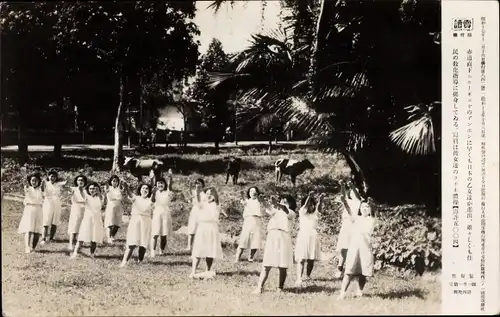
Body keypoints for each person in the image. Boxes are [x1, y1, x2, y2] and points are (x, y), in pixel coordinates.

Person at [337, 182, 377, 300]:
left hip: (366, 247)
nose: (365, 208)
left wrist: (370, 204)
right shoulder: (356, 218)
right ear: (359, 209)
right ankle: (342, 293)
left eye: (367, 207)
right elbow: (349, 210)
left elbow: (374, 210)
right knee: (349, 270)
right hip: (355, 247)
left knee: (363, 271)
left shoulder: (372, 219)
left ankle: (359, 291)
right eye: (363, 207)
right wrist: (344, 202)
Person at [253, 195, 297, 294]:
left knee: (282, 265)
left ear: (291, 204)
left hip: (284, 237)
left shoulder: (292, 213)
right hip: (272, 236)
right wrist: (262, 201)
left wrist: (277, 203)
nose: (283, 203)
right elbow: (268, 207)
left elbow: (285, 208)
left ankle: (280, 288)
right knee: (267, 264)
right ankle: (259, 287)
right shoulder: (275, 211)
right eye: (282, 201)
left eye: (285, 202)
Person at [190, 187, 227, 279]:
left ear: (215, 195)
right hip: (202, 227)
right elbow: (198, 202)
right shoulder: (202, 204)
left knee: (210, 250)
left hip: (212, 228)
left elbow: (217, 202)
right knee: (198, 249)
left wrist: (214, 196)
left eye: (211, 193)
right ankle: (193, 271)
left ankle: (208, 270)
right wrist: (197, 193)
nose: (209, 195)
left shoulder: (217, 204)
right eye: (207, 193)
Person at [294, 191, 326, 286]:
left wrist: (321, 200)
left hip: (313, 236)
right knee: (301, 258)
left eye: (312, 205)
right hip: (303, 235)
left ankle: (307, 276)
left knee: (311, 259)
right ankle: (299, 278)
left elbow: (319, 207)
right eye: (309, 205)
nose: (310, 206)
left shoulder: (315, 213)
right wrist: (309, 196)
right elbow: (305, 204)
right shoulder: (302, 212)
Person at [120, 183, 154, 267]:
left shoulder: (150, 200)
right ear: (140, 190)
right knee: (132, 242)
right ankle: (124, 261)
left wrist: (155, 191)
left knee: (143, 243)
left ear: (149, 191)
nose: (145, 190)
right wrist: (126, 186)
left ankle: (140, 260)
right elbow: (130, 194)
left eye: (147, 189)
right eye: (143, 188)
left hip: (146, 222)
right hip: (135, 221)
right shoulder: (136, 198)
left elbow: (153, 199)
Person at [70, 182, 105, 259]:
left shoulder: (101, 197)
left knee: (94, 237)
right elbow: (82, 193)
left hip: (97, 219)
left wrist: (98, 192)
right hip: (87, 219)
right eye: (90, 188)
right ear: (88, 190)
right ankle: (75, 253)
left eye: (94, 188)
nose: (92, 190)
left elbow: (102, 201)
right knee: (82, 236)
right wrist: (79, 188)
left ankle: (92, 254)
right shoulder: (87, 197)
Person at [334, 179, 360, 279]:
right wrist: (342, 185)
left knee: (352, 248)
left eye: (355, 192)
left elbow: (358, 197)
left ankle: (352, 270)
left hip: (355, 226)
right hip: (346, 225)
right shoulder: (347, 200)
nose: (353, 193)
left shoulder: (359, 203)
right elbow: (343, 195)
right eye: (352, 192)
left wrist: (353, 186)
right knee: (343, 248)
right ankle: (340, 268)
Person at [234, 186, 265, 263]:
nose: (253, 192)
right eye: (251, 191)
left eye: (255, 191)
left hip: (257, 221)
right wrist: (242, 195)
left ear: (257, 193)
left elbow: (264, 205)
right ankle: (237, 258)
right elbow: (244, 201)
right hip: (248, 220)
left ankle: (251, 257)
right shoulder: (247, 201)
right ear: (249, 193)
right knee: (244, 239)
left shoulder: (260, 201)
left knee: (255, 240)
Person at [18, 173, 44, 253]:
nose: (34, 182)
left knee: (37, 230)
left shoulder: (41, 190)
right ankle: (27, 247)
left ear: (39, 181)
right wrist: (26, 191)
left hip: (38, 209)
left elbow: (43, 197)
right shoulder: (27, 189)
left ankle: (33, 247)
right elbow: (26, 199)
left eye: (36, 180)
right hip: (29, 209)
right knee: (28, 229)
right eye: (32, 180)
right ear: (30, 181)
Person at [150, 170, 174, 257]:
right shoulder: (155, 192)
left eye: (162, 183)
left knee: (164, 234)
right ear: (156, 185)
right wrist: (153, 193)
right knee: (155, 233)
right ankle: (153, 250)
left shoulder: (168, 192)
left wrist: (170, 177)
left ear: (165, 184)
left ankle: (161, 250)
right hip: (157, 213)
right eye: (159, 183)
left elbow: (170, 185)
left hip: (166, 214)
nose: (160, 185)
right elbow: (152, 200)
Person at [41, 170, 67, 244]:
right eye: (51, 176)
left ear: (56, 177)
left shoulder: (58, 184)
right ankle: (43, 238)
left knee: (54, 221)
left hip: (57, 203)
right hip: (48, 203)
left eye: (54, 176)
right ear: (48, 176)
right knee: (46, 221)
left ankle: (51, 238)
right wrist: (42, 185)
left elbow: (66, 183)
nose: (52, 178)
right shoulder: (45, 183)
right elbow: (42, 190)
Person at [67, 174, 88, 251]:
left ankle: (78, 242)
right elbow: (69, 193)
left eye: (82, 180)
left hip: (84, 210)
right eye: (79, 180)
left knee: (81, 226)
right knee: (74, 226)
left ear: (85, 182)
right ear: (76, 181)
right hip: (76, 209)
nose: (80, 182)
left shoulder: (86, 191)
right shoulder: (73, 189)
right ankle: (70, 243)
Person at [186, 178, 206, 251]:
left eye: (199, 183)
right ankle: (189, 246)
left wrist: (197, 195)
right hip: (194, 212)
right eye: (196, 183)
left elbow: (200, 205)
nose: (198, 185)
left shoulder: (204, 194)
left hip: (201, 212)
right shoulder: (193, 192)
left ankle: (200, 246)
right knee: (191, 229)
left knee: (200, 230)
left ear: (203, 185)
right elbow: (189, 199)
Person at [104, 175, 125, 244]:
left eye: (116, 181)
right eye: (113, 181)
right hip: (111, 206)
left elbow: (122, 195)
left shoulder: (119, 189)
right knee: (110, 222)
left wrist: (122, 184)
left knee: (117, 224)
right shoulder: (108, 188)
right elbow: (107, 191)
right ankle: (109, 238)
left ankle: (112, 236)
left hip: (118, 206)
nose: (115, 182)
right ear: (111, 181)